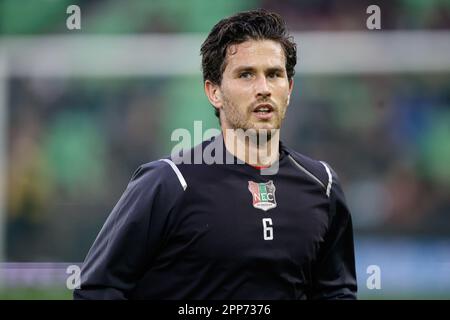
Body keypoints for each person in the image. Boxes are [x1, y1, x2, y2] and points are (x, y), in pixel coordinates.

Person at [74, 9, 357, 300]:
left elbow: (336, 293)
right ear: (214, 92)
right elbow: (98, 289)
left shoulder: (322, 185)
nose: (263, 89)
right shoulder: (169, 182)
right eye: (246, 75)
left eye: (274, 74)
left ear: (290, 88)